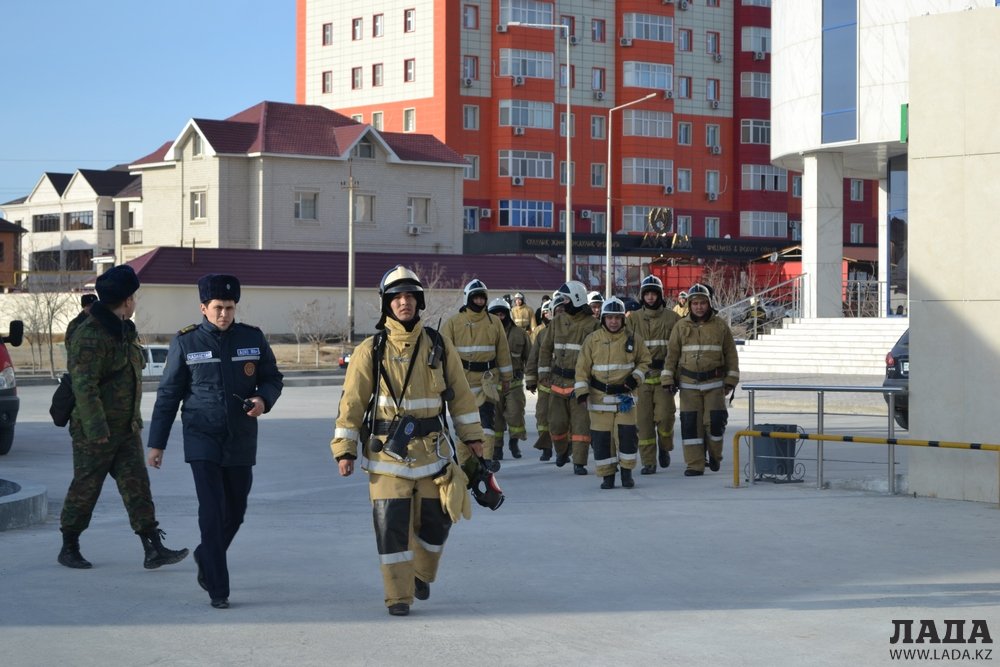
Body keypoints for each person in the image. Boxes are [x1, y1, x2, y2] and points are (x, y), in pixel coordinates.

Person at [330, 265, 486, 617]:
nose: (404, 303)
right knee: (392, 531)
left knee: (438, 523)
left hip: (433, 454)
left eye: (410, 297)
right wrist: (345, 448)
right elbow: (352, 402)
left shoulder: (439, 345)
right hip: (387, 458)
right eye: (397, 297)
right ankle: (398, 596)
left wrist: (473, 438)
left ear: (419, 302)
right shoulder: (370, 350)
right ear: (387, 304)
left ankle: (421, 574)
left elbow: (461, 396)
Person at [147, 274, 283, 609]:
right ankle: (218, 589)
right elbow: (168, 396)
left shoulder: (252, 338)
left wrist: (263, 400)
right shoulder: (186, 343)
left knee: (235, 511)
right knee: (211, 511)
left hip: (240, 437)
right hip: (201, 436)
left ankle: (206, 555)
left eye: (230, 307)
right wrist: (157, 443)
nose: (224, 313)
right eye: (218, 307)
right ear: (203, 308)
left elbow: (272, 378)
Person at [58, 265, 189, 571]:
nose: (135, 302)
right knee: (86, 487)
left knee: (137, 486)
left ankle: (153, 548)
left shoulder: (123, 329)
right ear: (128, 300)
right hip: (96, 431)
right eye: (134, 297)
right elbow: (84, 386)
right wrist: (96, 429)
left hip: (126, 427)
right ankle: (69, 545)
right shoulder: (90, 335)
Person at [662, 283, 740, 477]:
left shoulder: (720, 325)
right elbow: (672, 355)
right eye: (695, 303)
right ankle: (695, 464)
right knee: (690, 425)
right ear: (689, 304)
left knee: (714, 424)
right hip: (689, 386)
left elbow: (731, 354)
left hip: (714, 385)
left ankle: (714, 455)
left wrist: (731, 379)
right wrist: (668, 378)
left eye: (702, 303)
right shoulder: (680, 326)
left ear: (708, 303)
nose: (699, 307)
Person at [575, 298, 651, 489]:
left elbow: (645, 362)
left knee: (627, 437)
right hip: (599, 398)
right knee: (602, 441)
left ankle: (627, 473)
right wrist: (582, 393)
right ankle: (607, 476)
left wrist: (635, 378)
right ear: (603, 319)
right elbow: (582, 368)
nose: (614, 322)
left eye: (617, 318)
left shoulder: (634, 339)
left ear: (623, 319)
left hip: (625, 399)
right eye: (610, 318)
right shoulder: (592, 340)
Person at [441, 279, 513, 470]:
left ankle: (486, 460)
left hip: (487, 381)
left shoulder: (494, 322)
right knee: (463, 424)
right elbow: (443, 353)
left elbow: (503, 352)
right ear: (468, 298)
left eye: (482, 298)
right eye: (476, 298)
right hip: (461, 381)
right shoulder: (453, 323)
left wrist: (506, 379)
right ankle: (465, 463)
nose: (480, 301)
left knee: (486, 421)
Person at [538, 281, 600, 475]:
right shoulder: (557, 321)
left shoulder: (593, 325)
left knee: (581, 426)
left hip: (580, 384)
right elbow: (546, 348)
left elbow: (597, 354)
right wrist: (542, 373)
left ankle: (579, 462)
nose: (563, 303)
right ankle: (562, 451)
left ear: (577, 298)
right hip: (557, 382)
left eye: (566, 299)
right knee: (556, 424)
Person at [630, 275, 681, 475]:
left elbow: (678, 349)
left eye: (654, 293)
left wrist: (675, 375)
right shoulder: (632, 319)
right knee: (643, 423)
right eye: (647, 294)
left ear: (660, 295)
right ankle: (648, 462)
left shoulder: (672, 318)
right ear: (642, 296)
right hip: (641, 379)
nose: (650, 297)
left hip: (663, 377)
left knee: (665, 418)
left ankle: (665, 446)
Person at [487, 297, 530, 459]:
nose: (500, 318)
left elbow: (530, 356)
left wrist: (532, 378)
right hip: (492, 385)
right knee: (495, 419)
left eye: (502, 314)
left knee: (515, 414)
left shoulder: (520, 334)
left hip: (515, 384)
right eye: (495, 315)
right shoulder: (484, 334)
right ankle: (497, 448)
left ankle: (514, 441)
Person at [524, 294, 560, 460]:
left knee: (562, 420)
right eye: (557, 311)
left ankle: (563, 449)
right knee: (543, 417)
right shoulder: (542, 335)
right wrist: (531, 379)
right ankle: (546, 447)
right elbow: (533, 358)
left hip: (565, 385)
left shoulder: (572, 333)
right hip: (545, 385)